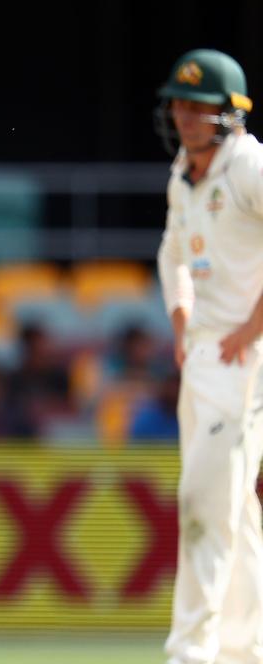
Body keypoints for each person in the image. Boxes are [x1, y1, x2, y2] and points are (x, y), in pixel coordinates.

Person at [154, 48, 263, 664]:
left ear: (228, 112)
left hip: (246, 363)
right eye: (179, 104)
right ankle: (244, 648)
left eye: (199, 106)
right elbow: (173, 254)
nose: (186, 116)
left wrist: (252, 326)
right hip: (202, 357)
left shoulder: (249, 166)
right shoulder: (183, 172)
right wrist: (180, 317)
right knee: (234, 505)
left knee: (201, 499)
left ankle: (191, 650)